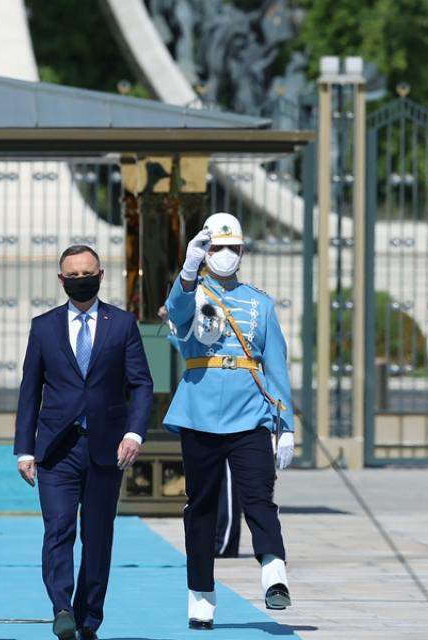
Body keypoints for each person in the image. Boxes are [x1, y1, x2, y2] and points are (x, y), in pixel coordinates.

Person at [14, 245, 153, 640]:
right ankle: (62, 608)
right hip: (57, 449)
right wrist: (25, 449)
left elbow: (141, 383)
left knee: (97, 536)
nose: (80, 280)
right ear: (61, 280)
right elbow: (30, 390)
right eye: (72, 275)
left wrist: (133, 433)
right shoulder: (44, 327)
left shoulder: (122, 324)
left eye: (87, 273)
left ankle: (89, 618)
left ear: (101, 275)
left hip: (106, 448)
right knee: (58, 529)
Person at [165, 212, 295, 630]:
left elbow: (276, 367)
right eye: (217, 248)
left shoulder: (260, 303)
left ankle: (274, 572)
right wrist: (188, 270)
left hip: (249, 414)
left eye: (233, 248)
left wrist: (286, 425)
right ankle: (201, 594)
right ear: (205, 252)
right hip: (199, 413)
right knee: (201, 506)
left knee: (259, 497)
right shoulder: (192, 292)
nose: (226, 255)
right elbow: (175, 313)